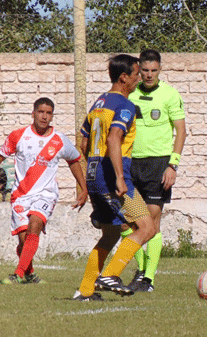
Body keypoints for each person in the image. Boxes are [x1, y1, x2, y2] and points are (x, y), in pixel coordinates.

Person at [0, 97, 88, 284]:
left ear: (52, 116)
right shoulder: (18, 136)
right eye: (41, 112)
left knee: (35, 226)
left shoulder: (59, 140)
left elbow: (74, 161)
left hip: (46, 193)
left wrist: (83, 189)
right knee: (24, 243)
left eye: (48, 113)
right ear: (33, 113)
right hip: (21, 195)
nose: (44, 116)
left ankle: (18, 274)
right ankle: (30, 274)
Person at [73, 54, 157, 302]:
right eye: (136, 74)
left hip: (94, 174)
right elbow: (113, 138)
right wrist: (119, 177)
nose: (140, 78)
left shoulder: (99, 102)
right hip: (112, 176)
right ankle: (110, 274)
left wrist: (89, 178)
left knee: (110, 235)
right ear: (124, 78)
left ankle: (85, 291)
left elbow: (84, 142)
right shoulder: (125, 105)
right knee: (147, 227)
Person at [123, 49, 187, 292]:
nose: (148, 75)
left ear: (160, 69)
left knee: (152, 221)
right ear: (139, 69)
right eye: (145, 71)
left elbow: (181, 131)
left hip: (158, 164)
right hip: (130, 163)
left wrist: (173, 164)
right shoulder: (130, 93)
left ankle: (148, 279)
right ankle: (140, 271)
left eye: (153, 71)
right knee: (129, 222)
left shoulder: (170, 94)